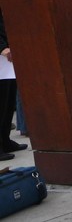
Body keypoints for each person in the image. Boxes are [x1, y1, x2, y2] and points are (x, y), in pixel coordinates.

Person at [0, 9, 27, 161]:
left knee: (8, 102)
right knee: (2, 102)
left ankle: (5, 140)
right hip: (2, 54)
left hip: (6, 58)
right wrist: (2, 46)